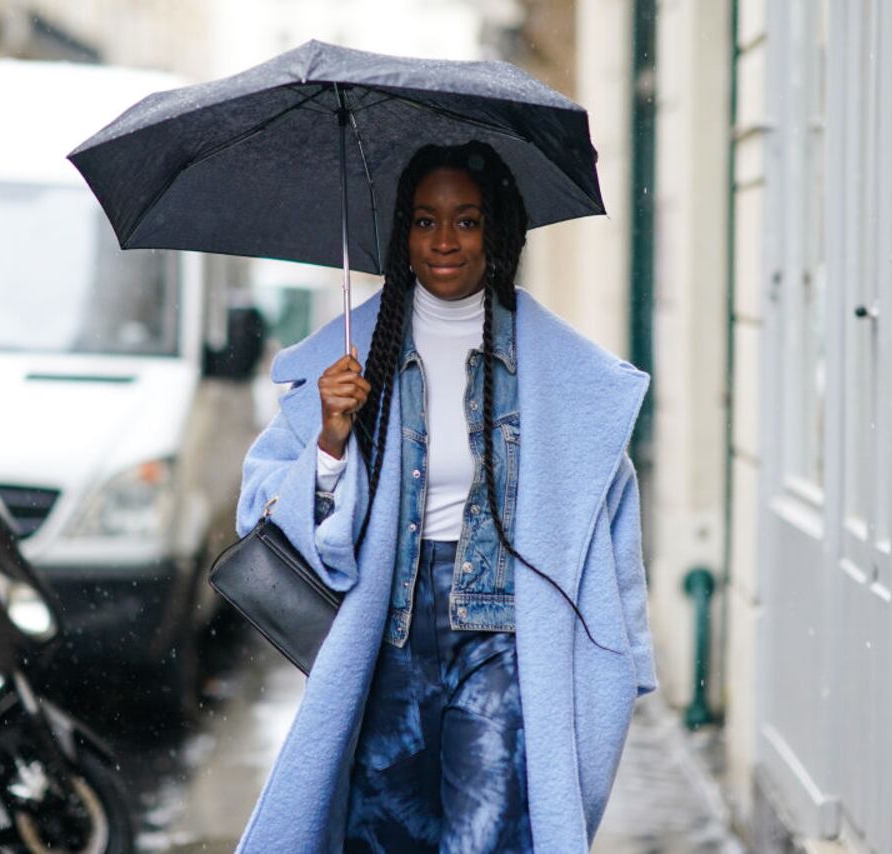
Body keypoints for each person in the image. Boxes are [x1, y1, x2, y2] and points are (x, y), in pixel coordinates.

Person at [233, 141, 655, 853]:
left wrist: (623, 653)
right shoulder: (352, 355)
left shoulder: (557, 368)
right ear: (403, 233)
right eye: (425, 221)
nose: (444, 241)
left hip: (502, 638)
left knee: (485, 837)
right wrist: (332, 438)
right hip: (386, 635)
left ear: (498, 230)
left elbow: (605, 516)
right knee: (384, 836)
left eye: (467, 220)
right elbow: (263, 508)